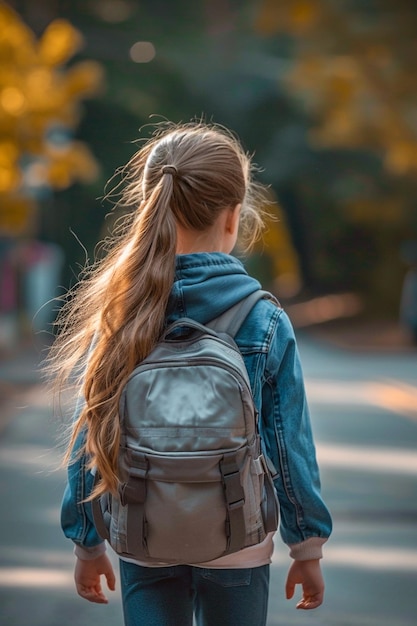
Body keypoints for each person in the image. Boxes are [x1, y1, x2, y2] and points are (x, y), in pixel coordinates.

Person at [49, 121, 332, 626]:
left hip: (143, 532)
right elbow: (288, 443)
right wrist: (306, 545)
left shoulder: (122, 312)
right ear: (233, 216)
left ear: (149, 204)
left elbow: (87, 440)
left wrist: (86, 541)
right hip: (237, 540)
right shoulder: (261, 318)